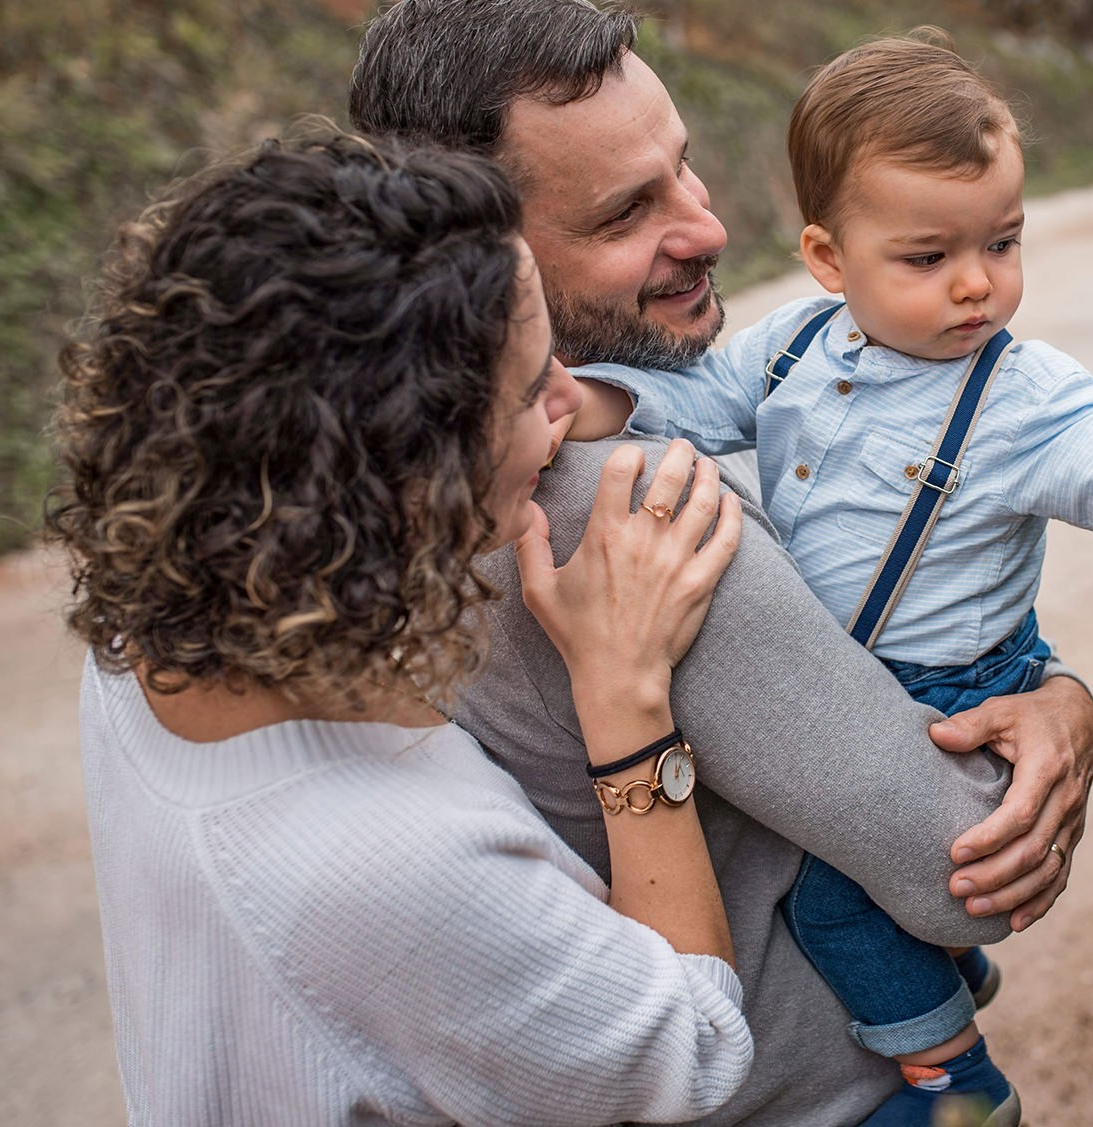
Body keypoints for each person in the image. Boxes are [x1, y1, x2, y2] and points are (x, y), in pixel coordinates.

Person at [560, 33, 1093, 1123]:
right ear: (828, 258)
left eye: (1002, 241)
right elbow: (700, 399)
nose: (975, 283)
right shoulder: (797, 344)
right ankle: (942, 972)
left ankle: (954, 1074)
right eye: (927, 256)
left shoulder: (1018, 398)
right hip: (862, 674)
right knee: (864, 877)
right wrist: (588, 400)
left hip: (951, 686)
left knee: (836, 907)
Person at [349, 0, 1093, 1126]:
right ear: (475, 257)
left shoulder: (383, 469)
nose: (705, 227)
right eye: (624, 214)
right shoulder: (622, 509)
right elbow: (964, 867)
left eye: (683, 168)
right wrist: (1055, 703)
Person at [55, 133, 755, 1123]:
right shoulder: (396, 867)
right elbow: (696, 1051)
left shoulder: (143, 639)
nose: (570, 392)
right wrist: (626, 697)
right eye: (529, 391)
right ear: (411, 481)